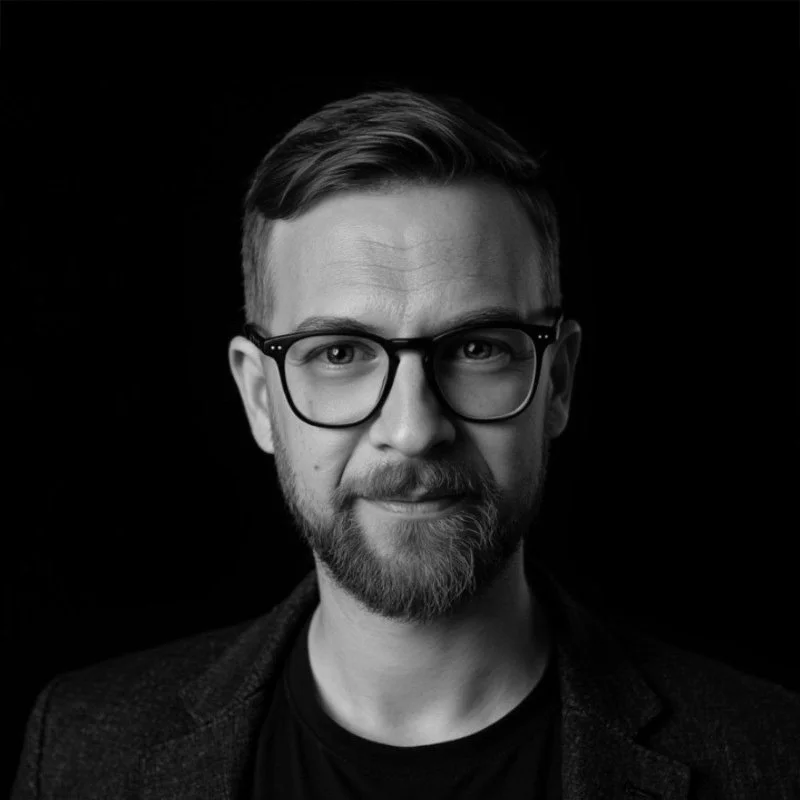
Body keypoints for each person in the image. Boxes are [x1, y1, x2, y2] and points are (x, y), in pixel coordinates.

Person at [12, 87, 799, 800]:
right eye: (340, 353)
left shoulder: (772, 757)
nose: (413, 430)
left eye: (477, 348)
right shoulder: (80, 750)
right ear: (259, 396)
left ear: (557, 382)